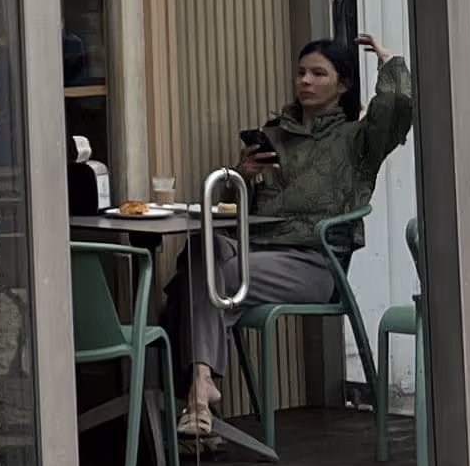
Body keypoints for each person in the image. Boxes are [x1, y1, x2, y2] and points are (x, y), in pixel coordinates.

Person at [174, 35, 412, 440]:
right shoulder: (274, 135)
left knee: (201, 281)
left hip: (313, 262)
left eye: (318, 73)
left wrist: (390, 65)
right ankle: (201, 385)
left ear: (341, 85)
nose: (305, 81)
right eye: (301, 72)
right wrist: (243, 176)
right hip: (255, 250)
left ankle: (193, 396)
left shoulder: (356, 141)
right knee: (200, 251)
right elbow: (238, 209)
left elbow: (397, 110)